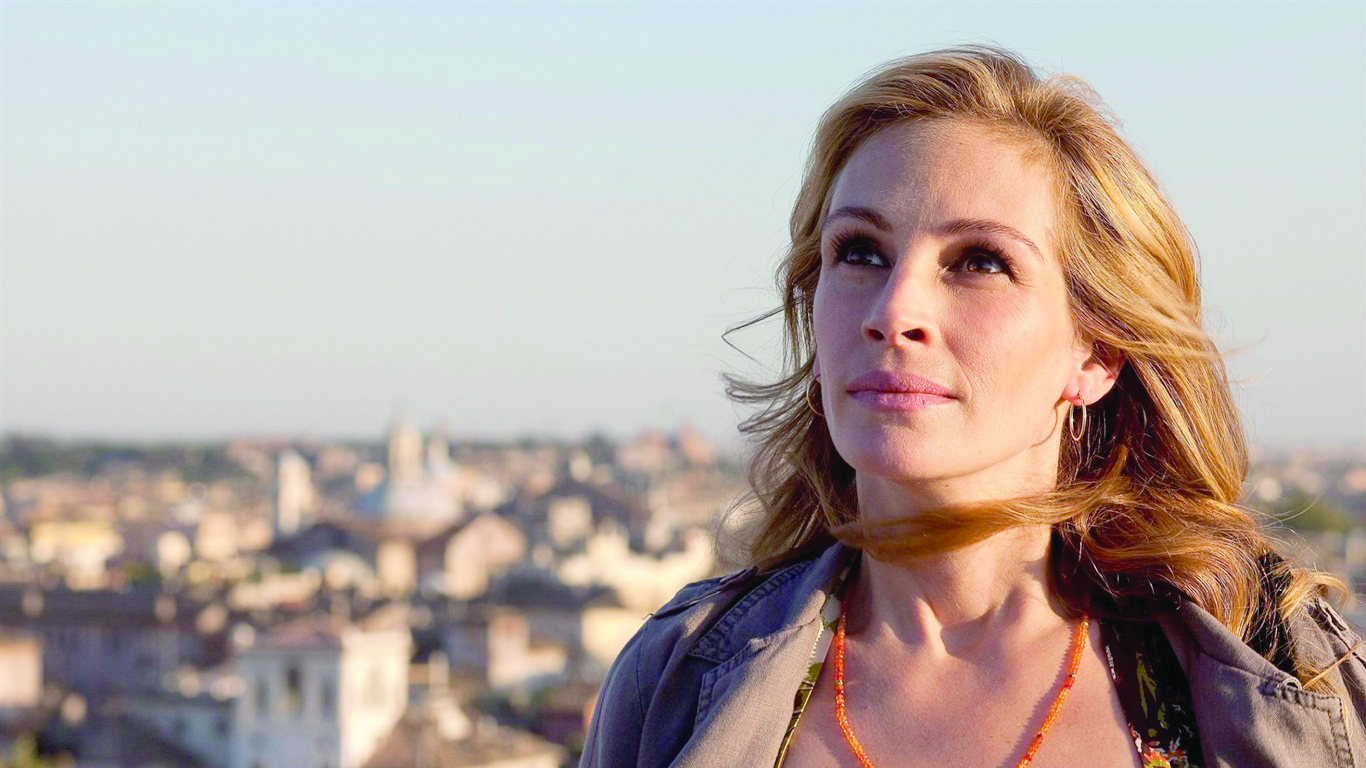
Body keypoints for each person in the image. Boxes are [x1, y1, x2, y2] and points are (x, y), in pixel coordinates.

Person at [581, 46, 1366, 768]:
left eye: (979, 262)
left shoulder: (1283, 675)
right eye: (860, 251)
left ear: (1096, 353)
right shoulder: (680, 679)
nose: (894, 310)